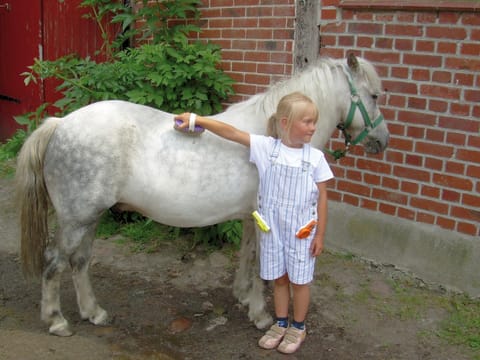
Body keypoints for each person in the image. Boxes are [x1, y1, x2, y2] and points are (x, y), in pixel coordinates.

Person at [174, 92, 334, 354]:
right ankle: (281, 323)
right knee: (280, 279)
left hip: (302, 232)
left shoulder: (315, 158)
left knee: (300, 281)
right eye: (307, 121)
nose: (313, 127)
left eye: (314, 121)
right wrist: (197, 119)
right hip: (272, 231)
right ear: (285, 122)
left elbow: (323, 198)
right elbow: (231, 133)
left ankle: (298, 326)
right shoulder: (266, 148)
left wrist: (320, 235)